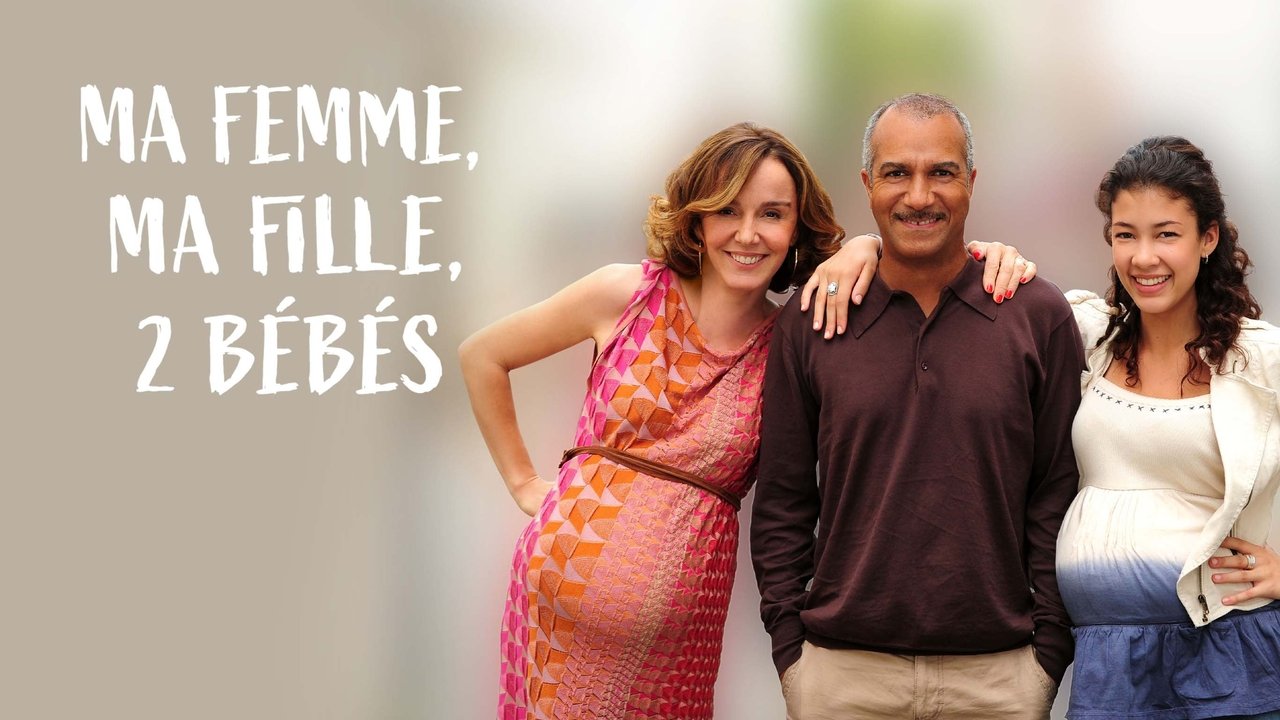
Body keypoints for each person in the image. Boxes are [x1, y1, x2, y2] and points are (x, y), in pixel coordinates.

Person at [460, 120, 1034, 719]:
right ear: (698, 219)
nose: (748, 234)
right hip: (554, 616)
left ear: (795, 228)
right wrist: (524, 483)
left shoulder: (798, 336)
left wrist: (888, 246)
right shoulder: (625, 294)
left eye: (772, 214)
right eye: (728, 210)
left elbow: (917, 262)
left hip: (678, 636)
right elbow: (483, 356)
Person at [751, 92, 1084, 719]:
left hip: (999, 679)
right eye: (897, 172)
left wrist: (1046, 654)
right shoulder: (814, 318)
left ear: (973, 183)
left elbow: (1057, 493)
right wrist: (793, 654)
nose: (920, 196)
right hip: (841, 678)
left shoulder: (1037, 315)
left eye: (942, 173)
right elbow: (784, 500)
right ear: (868, 185)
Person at [1052, 136, 1280, 719]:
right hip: (1108, 666)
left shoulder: (1262, 360)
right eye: (1125, 234)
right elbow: (969, 273)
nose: (1143, 257)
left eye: (1166, 234)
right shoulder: (1085, 338)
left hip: (1233, 658)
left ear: (1208, 239)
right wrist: (866, 249)